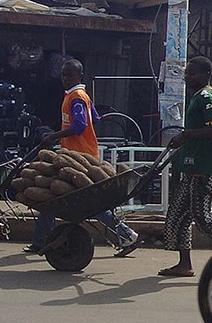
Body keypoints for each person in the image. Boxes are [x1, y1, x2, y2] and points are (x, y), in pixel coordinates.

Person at [23, 59, 139, 257]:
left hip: (79, 158)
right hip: (76, 154)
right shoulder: (80, 96)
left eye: (69, 75)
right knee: (53, 197)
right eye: (63, 75)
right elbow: (95, 118)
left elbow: (79, 126)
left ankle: (126, 235)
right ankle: (40, 240)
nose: (65, 79)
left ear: (79, 76)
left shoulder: (76, 96)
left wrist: (53, 137)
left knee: (88, 204)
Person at [158, 56, 212, 277]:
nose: (187, 77)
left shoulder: (205, 97)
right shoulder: (204, 97)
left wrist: (187, 135)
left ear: (205, 75)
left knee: (202, 219)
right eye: (187, 73)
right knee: (177, 216)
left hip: (205, 167)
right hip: (192, 166)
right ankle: (184, 264)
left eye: (192, 74)